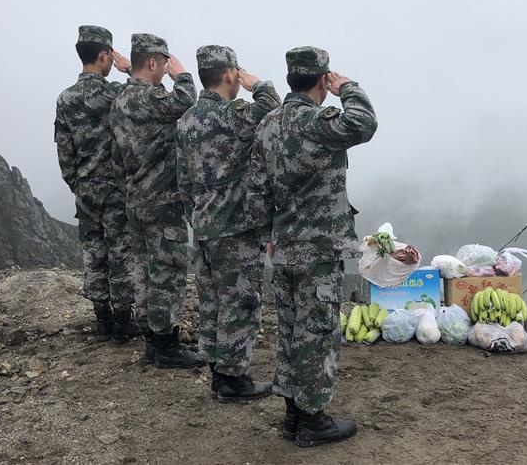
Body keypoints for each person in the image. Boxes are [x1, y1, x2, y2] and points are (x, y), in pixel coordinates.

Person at [250, 45, 377, 447]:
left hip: (284, 247)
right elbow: (366, 123)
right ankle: (312, 421)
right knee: (318, 334)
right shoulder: (320, 122)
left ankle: (293, 414)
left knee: (290, 330)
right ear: (323, 79)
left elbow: (256, 191)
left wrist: (268, 237)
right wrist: (349, 87)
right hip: (319, 250)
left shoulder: (269, 124)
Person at [176, 45, 281, 401]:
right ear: (230, 75)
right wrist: (259, 84)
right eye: (236, 73)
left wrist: (199, 212)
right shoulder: (235, 114)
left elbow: (183, 180)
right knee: (241, 302)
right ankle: (234, 380)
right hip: (236, 228)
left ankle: (217, 373)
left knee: (212, 302)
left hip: (204, 226)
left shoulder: (187, 120)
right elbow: (274, 111)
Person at [110, 33, 203, 369]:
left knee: (145, 271)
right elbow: (184, 100)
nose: (165, 68)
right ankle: (166, 346)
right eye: (163, 63)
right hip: (162, 200)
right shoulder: (150, 97)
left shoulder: (120, 99)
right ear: (152, 62)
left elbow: (115, 155)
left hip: (135, 197)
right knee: (167, 271)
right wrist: (183, 75)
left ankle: (153, 340)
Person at [54, 25, 140, 344]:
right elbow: (144, 93)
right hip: (116, 189)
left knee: (93, 251)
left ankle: (102, 320)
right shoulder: (114, 94)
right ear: (105, 55)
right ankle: (122, 322)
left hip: (86, 189)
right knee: (120, 252)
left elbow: (64, 150)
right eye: (109, 56)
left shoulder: (65, 99)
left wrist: (78, 183)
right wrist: (129, 68)